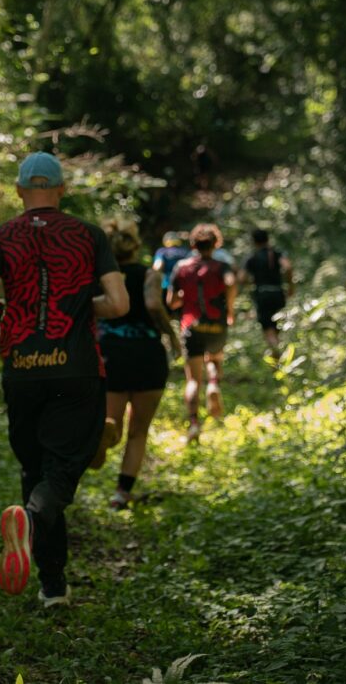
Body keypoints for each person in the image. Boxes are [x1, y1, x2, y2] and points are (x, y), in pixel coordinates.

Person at [0, 151, 129, 607]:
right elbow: (118, 304)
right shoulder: (88, 235)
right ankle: (32, 522)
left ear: (19, 191)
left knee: (35, 468)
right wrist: (81, 308)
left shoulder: (0, 236)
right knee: (60, 473)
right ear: (61, 190)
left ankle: (52, 584)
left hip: (21, 370)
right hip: (75, 366)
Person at [93, 218, 179, 509]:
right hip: (147, 354)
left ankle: (101, 440)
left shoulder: (102, 277)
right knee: (139, 430)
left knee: (111, 424)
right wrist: (173, 337)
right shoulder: (149, 274)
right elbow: (154, 305)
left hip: (111, 354)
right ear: (136, 245)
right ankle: (122, 493)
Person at [167, 223, 236, 443]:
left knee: (193, 380)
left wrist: (182, 296)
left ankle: (194, 425)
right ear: (216, 243)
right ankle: (214, 383)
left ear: (193, 244)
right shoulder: (221, 266)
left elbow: (172, 302)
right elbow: (231, 283)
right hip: (217, 324)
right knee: (214, 359)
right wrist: (230, 309)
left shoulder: (182, 266)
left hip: (191, 326)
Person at [241, 229, 294, 358]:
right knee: (277, 328)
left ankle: (278, 358)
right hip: (278, 293)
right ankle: (280, 357)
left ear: (254, 242)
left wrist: (250, 285)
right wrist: (291, 286)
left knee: (269, 330)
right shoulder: (276, 254)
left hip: (262, 295)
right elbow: (288, 267)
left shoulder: (253, 258)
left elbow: (242, 278)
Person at [152, 231, 190, 309]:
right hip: (184, 287)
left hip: (166, 285)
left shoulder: (162, 251)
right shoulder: (186, 252)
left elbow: (157, 267)